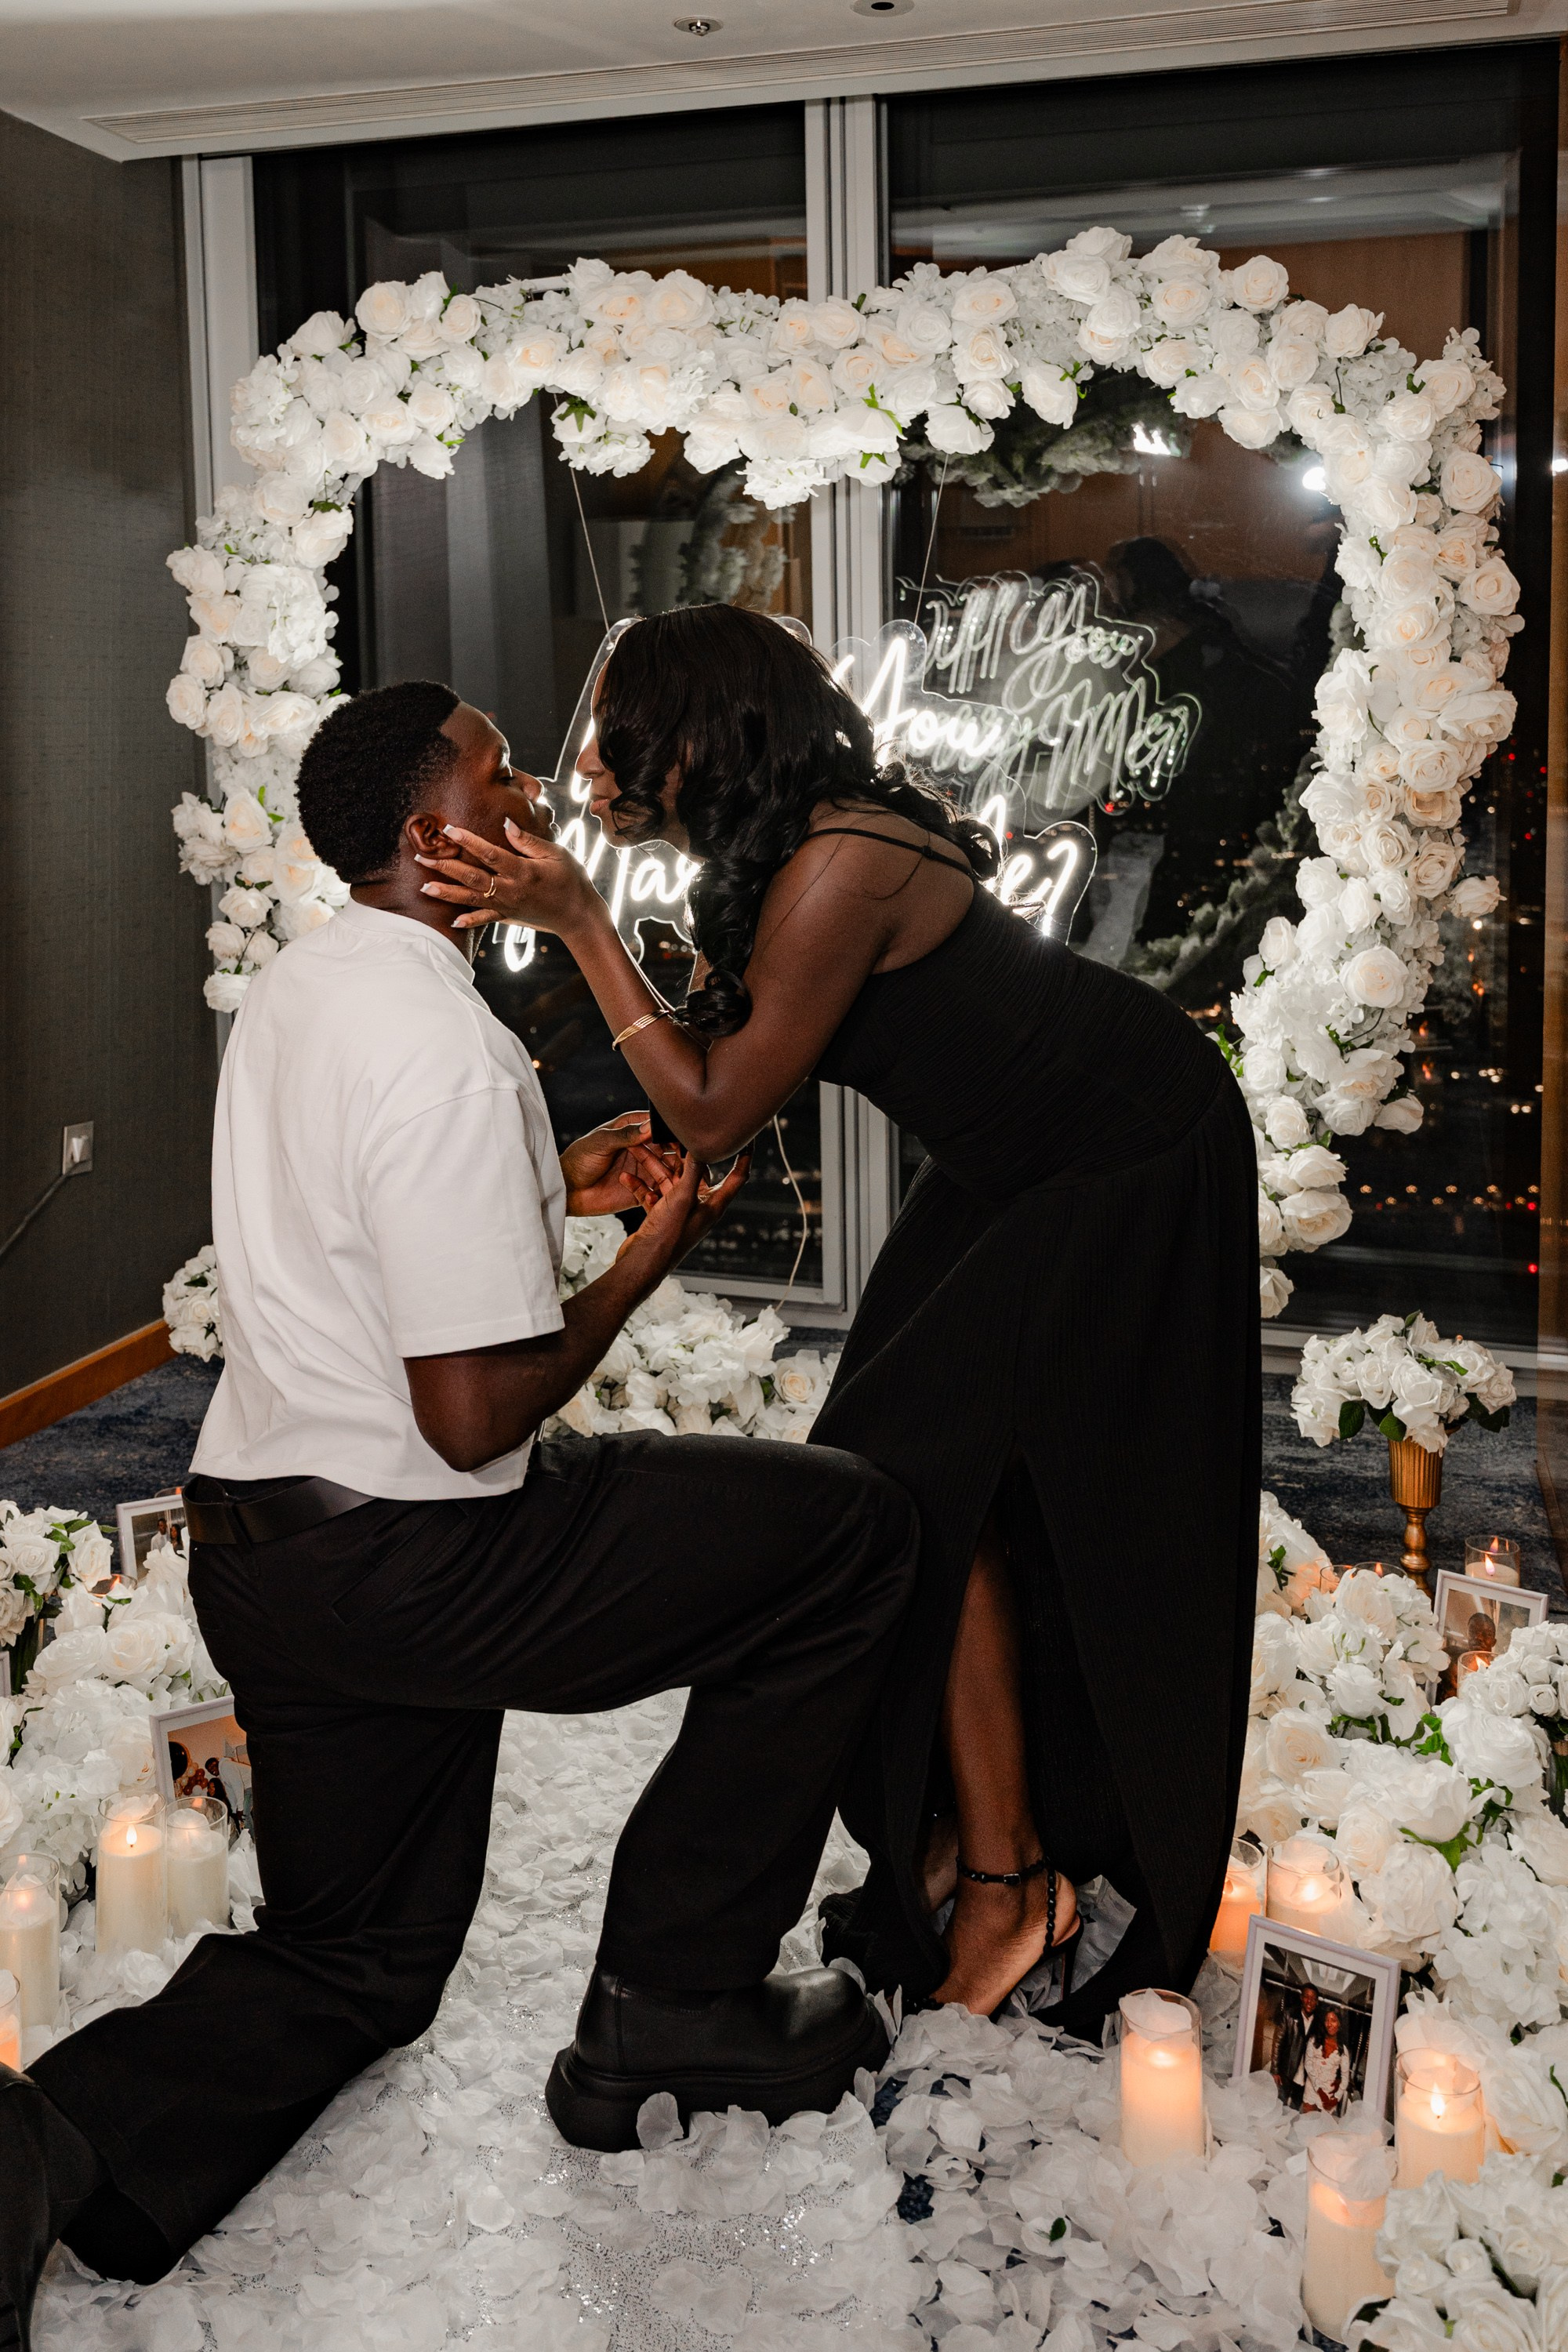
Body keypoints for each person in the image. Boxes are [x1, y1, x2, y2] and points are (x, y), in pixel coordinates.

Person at [0, 680, 920, 2347]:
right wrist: (641, 1259)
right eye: (508, 776)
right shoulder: (443, 1049)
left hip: (260, 1547)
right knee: (846, 1535)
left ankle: (34, 2164)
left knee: (365, 1955)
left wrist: (539, 1184)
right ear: (437, 838)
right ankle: (674, 1997)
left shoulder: (308, 987)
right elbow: (475, 1411)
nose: (545, 800)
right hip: (419, 1553)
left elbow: (346, 1214)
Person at [417, 603, 1261, 2031]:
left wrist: (579, 921)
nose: (598, 768)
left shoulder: (845, 867)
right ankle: (960, 1832)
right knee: (898, 1481)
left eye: (623, 736)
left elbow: (714, 1098)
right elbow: (719, 1075)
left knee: (923, 1491)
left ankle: (1012, 1882)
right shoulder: (788, 851)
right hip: (1013, 1163)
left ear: (706, 732)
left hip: (1126, 1150)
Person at [1272, 1981, 1316, 2111]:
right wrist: (1275, 2071)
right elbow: (1277, 2043)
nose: (1309, 2001)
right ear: (1301, 1998)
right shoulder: (1289, 2015)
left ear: (1317, 2002)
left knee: (1295, 2110)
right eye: (1307, 1997)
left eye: (1313, 1999)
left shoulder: (1318, 2024)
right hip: (1286, 2071)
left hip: (1305, 2077)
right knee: (1279, 2106)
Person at [1299, 2006, 1349, 2116]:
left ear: (1339, 2024)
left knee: (1322, 2131)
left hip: (1329, 2096)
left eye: (1333, 2020)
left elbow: (1345, 2079)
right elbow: (1308, 2066)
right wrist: (1320, 2092)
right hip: (1312, 2090)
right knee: (1306, 2126)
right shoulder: (1314, 2041)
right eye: (1327, 2020)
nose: (1329, 2024)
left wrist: (1335, 2099)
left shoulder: (1343, 2050)